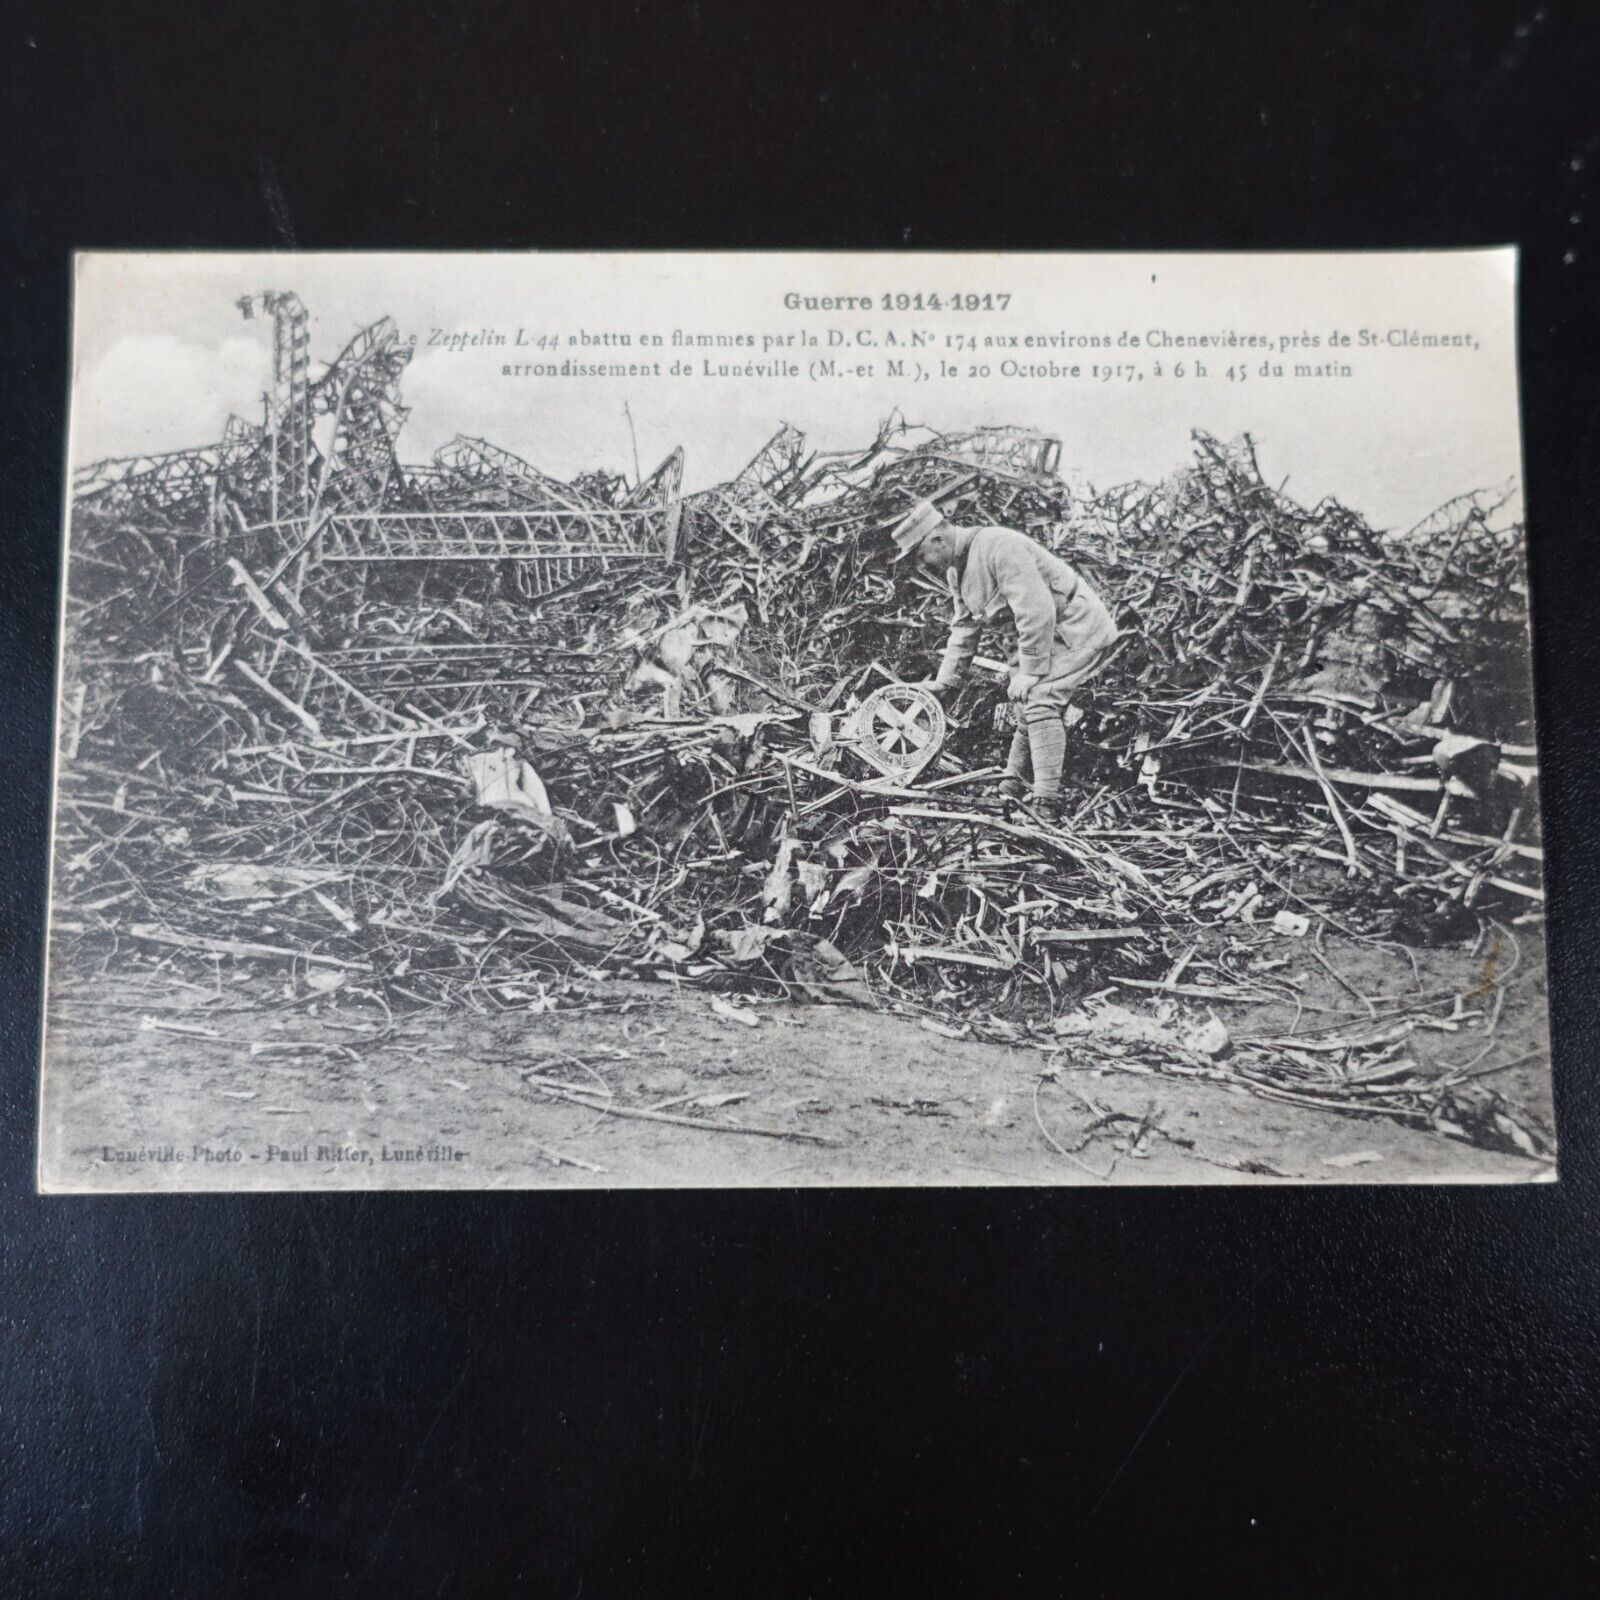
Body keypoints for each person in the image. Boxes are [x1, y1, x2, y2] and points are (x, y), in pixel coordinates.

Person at [889, 499, 1119, 820]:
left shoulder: (999, 545)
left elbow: (1037, 610)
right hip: (1044, 636)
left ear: (937, 539)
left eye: (921, 555)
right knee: (1024, 706)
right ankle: (1013, 781)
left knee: (1039, 700)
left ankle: (1047, 802)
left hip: (1076, 628)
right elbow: (964, 628)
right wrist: (946, 681)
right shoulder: (958, 571)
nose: (923, 564)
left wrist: (1032, 670)